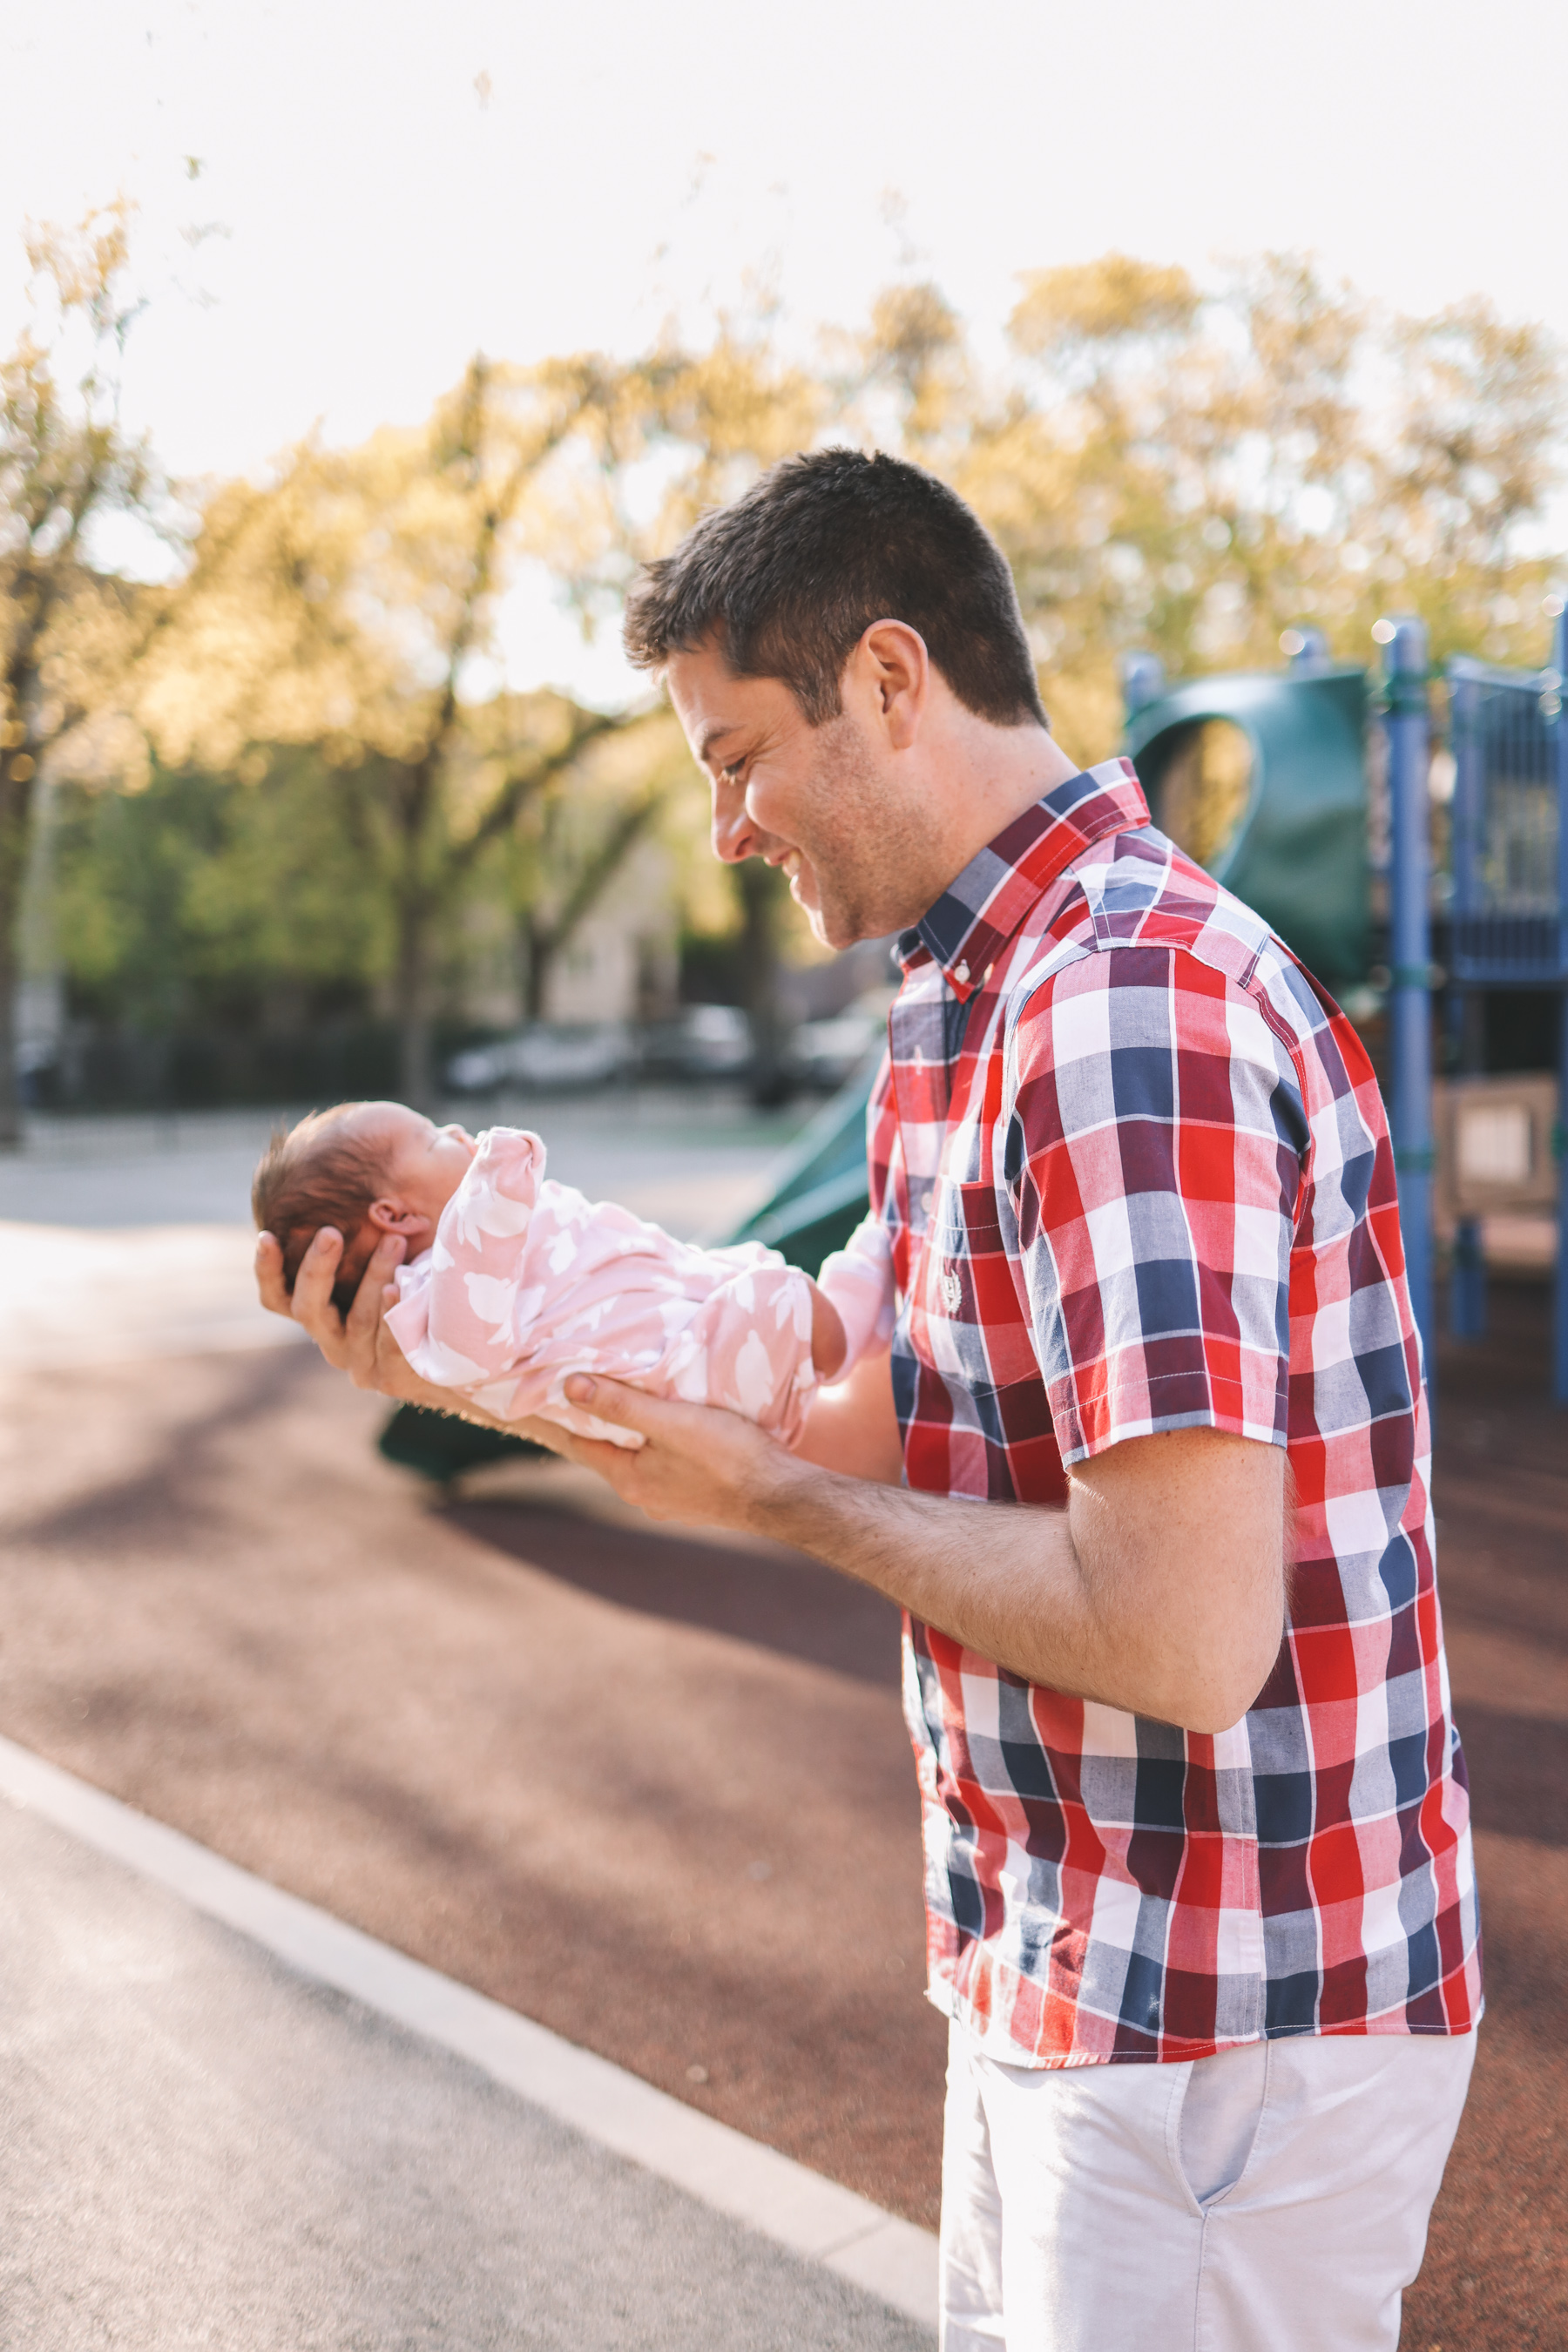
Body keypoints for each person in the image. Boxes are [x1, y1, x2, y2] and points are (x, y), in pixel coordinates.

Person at [257, 450, 1480, 2352]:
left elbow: (1179, 1631)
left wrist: (764, 1509)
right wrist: (467, 1358)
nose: (726, 825)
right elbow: (829, 1396)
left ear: (893, 681)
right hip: (1071, 1964)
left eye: (736, 757)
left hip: (1227, 2018)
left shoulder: (1121, 1011)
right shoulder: (965, 1001)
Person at [251, 1097, 892, 1448]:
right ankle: (866, 1284)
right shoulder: (429, 1295)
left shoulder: (484, 1240)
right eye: (430, 1137)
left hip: (684, 1317)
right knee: (796, 1310)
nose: (453, 1128)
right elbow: (467, 1353)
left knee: (766, 1279)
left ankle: (872, 1274)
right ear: (395, 1215)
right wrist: (491, 1187)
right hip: (677, 1376)